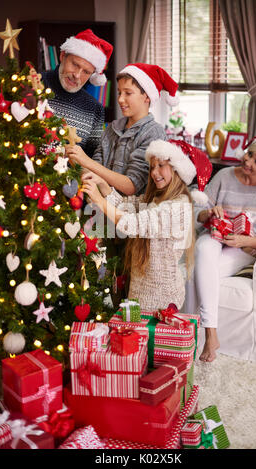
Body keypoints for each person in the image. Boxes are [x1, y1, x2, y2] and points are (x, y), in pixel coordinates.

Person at [186, 131, 256, 363]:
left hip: (244, 249)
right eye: (249, 154)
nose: (247, 162)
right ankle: (209, 334)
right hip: (213, 237)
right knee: (202, 251)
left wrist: (245, 241)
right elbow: (196, 212)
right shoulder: (224, 175)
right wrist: (208, 213)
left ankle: (192, 336)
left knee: (194, 274)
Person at [80, 139, 207, 312]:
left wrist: (99, 200)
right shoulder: (158, 198)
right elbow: (126, 206)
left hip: (162, 296)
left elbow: (134, 223)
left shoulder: (179, 207)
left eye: (161, 165)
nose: (154, 172)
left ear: (178, 170)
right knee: (135, 337)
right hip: (140, 289)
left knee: (153, 337)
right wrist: (102, 184)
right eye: (152, 167)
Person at [66, 63, 180, 196]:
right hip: (99, 207)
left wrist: (86, 160)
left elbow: (131, 186)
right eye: (120, 92)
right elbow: (94, 169)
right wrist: (74, 159)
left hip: (129, 213)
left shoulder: (153, 133)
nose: (120, 99)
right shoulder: (112, 128)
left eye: (128, 93)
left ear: (147, 97)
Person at [42, 28, 113, 156]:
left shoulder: (94, 109)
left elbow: (94, 157)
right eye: (75, 65)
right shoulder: (34, 86)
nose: (77, 75)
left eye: (86, 72)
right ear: (63, 56)